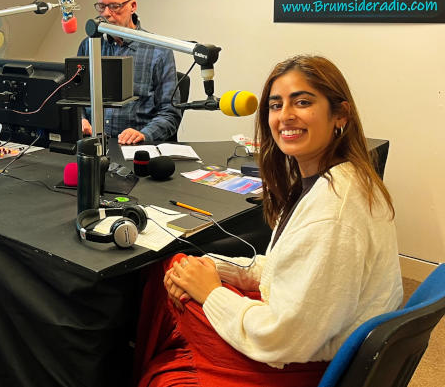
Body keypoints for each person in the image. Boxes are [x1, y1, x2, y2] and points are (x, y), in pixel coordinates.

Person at [134, 55, 402, 387]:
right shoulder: (331, 178)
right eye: (276, 105)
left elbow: (284, 339)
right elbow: (281, 269)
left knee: (169, 301)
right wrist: (216, 268)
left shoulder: (333, 212)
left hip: (302, 362)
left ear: (340, 114)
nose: (285, 116)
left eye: (302, 102)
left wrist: (211, 292)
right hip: (311, 340)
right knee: (182, 265)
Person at [77, 0, 180, 145]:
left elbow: (170, 113)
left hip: (134, 147)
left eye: (114, 6)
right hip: (92, 144)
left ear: (133, 6)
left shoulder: (159, 51)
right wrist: (80, 120)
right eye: (102, 7)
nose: (106, 14)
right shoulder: (89, 46)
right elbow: (77, 99)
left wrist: (143, 134)